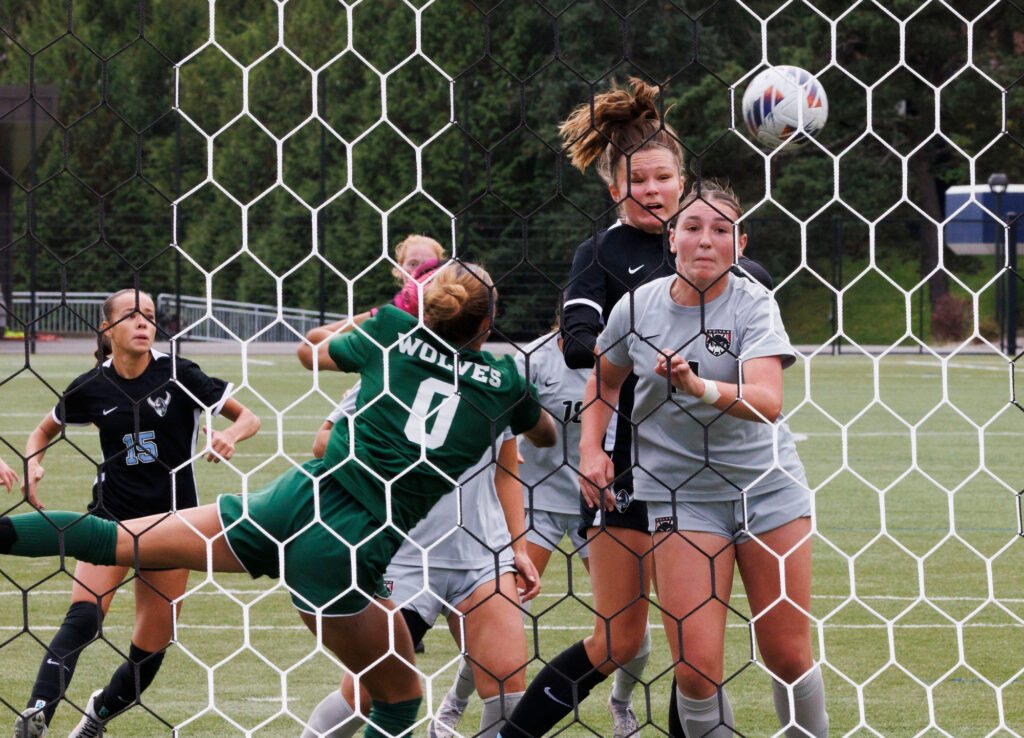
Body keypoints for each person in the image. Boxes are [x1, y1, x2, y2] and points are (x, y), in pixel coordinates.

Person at [0, 262, 557, 738]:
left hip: (290, 501)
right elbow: (546, 435)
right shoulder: (505, 383)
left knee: (119, 538)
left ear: (426, 310)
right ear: (487, 323)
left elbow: (308, 352)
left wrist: (372, 321)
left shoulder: (391, 334)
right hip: (344, 550)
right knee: (400, 692)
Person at [501, 78, 775, 738]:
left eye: (663, 177)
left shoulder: (714, 246)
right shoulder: (598, 256)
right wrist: (647, 347)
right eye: (637, 180)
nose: (652, 191)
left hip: (705, 468)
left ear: (683, 179)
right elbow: (576, 347)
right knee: (616, 640)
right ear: (612, 186)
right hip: (624, 467)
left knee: (693, 646)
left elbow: (754, 343)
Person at [580, 183, 827, 737]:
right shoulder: (636, 307)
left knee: (787, 656)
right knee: (694, 670)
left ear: (739, 245)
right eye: (693, 227)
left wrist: (697, 386)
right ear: (672, 238)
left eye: (720, 230)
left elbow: (767, 402)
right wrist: (590, 449)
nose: (705, 240)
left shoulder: (754, 303)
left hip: (766, 490)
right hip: (679, 496)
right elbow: (603, 380)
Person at [9, 288, 260, 738]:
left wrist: (230, 435)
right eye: (132, 316)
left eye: (149, 315)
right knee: (83, 618)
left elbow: (249, 418)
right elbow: (42, 431)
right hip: (109, 521)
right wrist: (34, 462)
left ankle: (98, 716)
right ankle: (36, 715)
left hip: (173, 526)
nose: (144, 322)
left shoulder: (180, 374)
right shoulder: (91, 385)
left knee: (149, 653)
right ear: (107, 329)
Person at [305, 388, 537, 738]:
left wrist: (518, 547)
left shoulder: (495, 382)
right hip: (405, 558)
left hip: (482, 556)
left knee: (509, 692)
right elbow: (323, 442)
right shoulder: (391, 368)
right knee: (364, 699)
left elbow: (506, 473)